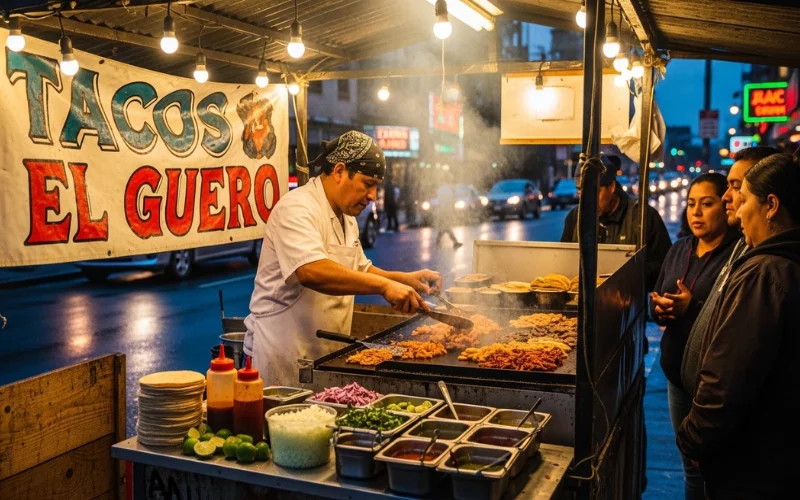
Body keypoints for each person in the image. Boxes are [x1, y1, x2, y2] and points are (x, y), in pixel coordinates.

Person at [244, 131, 442, 386]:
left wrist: (405, 280)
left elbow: (359, 268)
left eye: (376, 187)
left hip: (326, 357)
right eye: (368, 184)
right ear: (339, 171)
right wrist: (385, 287)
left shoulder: (347, 218)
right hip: (280, 358)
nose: (373, 196)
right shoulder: (297, 208)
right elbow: (311, 271)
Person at [677, 151, 800, 498]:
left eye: (742, 197)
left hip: (753, 465)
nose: (737, 208)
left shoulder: (766, 273)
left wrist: (692, 437)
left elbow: (728, 379)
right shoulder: (773, 262)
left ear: (771, 205)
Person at [649, 174, 740, 500]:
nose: (696, 213)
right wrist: (658, 309)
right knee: (690, 465)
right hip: (677, 377)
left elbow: (737, 318)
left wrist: (693, 306)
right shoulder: (679, 249)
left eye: (707, 204)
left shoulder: (737, 257)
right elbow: (656, 296)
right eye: (691, 205)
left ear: (726, 206)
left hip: (715, 383)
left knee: (714, 468)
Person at [679, 147, 779, 397]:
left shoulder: (766, 270)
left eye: (737, 188)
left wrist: (695, 431)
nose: (727, 197)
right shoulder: (743, 246)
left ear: (770, 201)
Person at [560, 155, 672, 291]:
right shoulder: (574, 217)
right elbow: (564, 261)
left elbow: (666, 267)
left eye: (594, 192)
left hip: (628, 303)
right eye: (580, 194)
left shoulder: (643, 216)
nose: (587, 202)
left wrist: (628, 275)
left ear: (612, 186)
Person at [434, 179, 463, 249]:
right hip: (447, 211)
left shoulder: (440, 189)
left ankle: (438, 241)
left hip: (442, 210)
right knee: (446, 227)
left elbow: (439, 200)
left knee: (444, 227)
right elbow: (452, 200)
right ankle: (455, 242)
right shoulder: (449, 190)